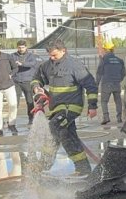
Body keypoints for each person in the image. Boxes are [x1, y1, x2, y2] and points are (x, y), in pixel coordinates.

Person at [31, 39, 98, 175]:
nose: (52, 58)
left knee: (54, 128)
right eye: (50, 55)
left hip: (71, 106)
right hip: (56, 107)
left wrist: (92, 106)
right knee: (65, 136)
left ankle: (44, 165)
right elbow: (37, 78)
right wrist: (37, 87)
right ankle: (83, 169)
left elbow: (90, 85)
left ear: (63, 51)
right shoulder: (47, 65)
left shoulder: (75, 65)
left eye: (54, 55)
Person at [96, 40, 126, 125]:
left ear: (105, 50)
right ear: (113, 50)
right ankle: (119, 117)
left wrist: (96, 84)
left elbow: (99, 72)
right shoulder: (119, 60)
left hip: (106, 84)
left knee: (104, 101)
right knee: (118, 101)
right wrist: (118, 80)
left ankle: (106, 117)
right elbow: (123, 73)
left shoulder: (104, 60)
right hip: (117, 84)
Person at [12, 40, 41, 125]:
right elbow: (9, 64)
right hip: (16, 81)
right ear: (17, 47)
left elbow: (32, 64)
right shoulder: (12, 56)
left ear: (26, 47)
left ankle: (31, 118)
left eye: (23, 47)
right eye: (19, 47)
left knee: (29, 101)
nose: (21, 49)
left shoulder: (31, 56)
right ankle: (12, 120)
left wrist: (21, 63)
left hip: (27, 81)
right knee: (14, 102)